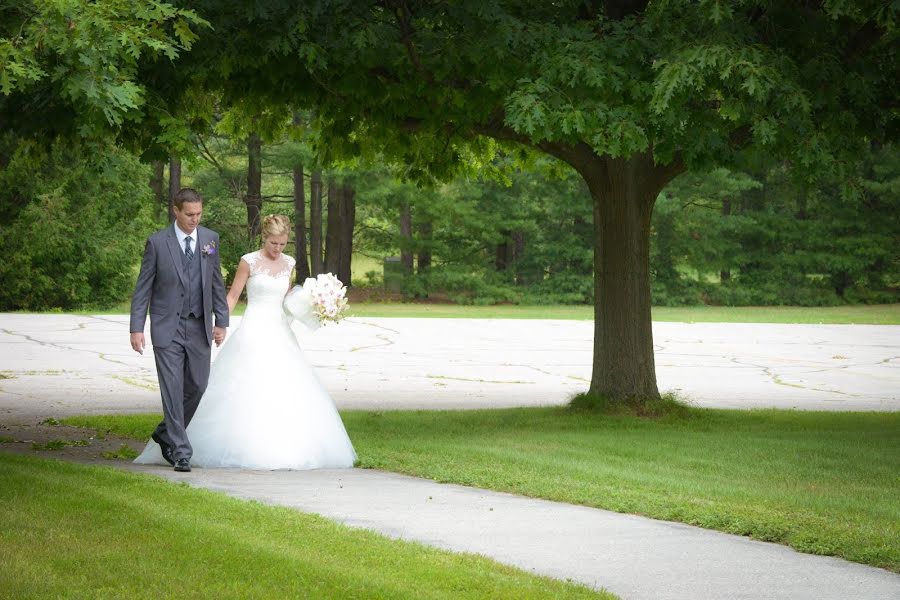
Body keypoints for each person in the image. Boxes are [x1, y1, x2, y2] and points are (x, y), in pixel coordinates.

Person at [134, 214, 356, 470]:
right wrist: (220, 323)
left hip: (280, 330)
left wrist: (314, 303)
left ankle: (282, 444)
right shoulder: (248, 262)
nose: (278, 249)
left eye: (282, 244)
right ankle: (181, 438)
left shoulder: (289, 263)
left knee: (285, 387)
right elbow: (232, 296)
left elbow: (285, 299)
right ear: (265, 238)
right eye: (274, 243)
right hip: (253, 329)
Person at [130, 188, 229, 473]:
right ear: (176, 211)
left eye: (198, 214)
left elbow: (215, 283)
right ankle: (180, 451)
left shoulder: (210, 240)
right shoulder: (157, 243)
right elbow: (143, 288)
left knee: (197, 385)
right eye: (189, 214)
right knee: (172, 389)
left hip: (199, 325)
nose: (194, 219)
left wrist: (221, 321)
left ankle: (164, 432)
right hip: (167, 327)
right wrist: (137, 327)